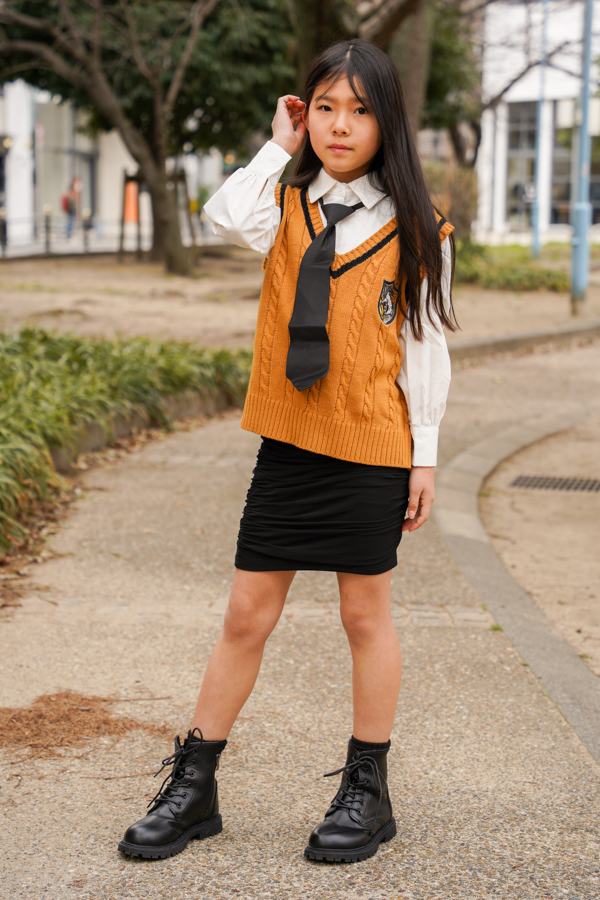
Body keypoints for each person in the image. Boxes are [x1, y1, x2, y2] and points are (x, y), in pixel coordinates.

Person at [118, 39, 456, 865]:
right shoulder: (285, 204)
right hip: (290, 443)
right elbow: (223, 214)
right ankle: (195, 787)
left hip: (373, 444)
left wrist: (425, 454)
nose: (341, 126)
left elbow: (425, 347)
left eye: (360, 111)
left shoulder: (420, 228)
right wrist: (279, 144)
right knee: (245, 614)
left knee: (363, 616)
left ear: (388, 122)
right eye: (326, 108)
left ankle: (367, 793)